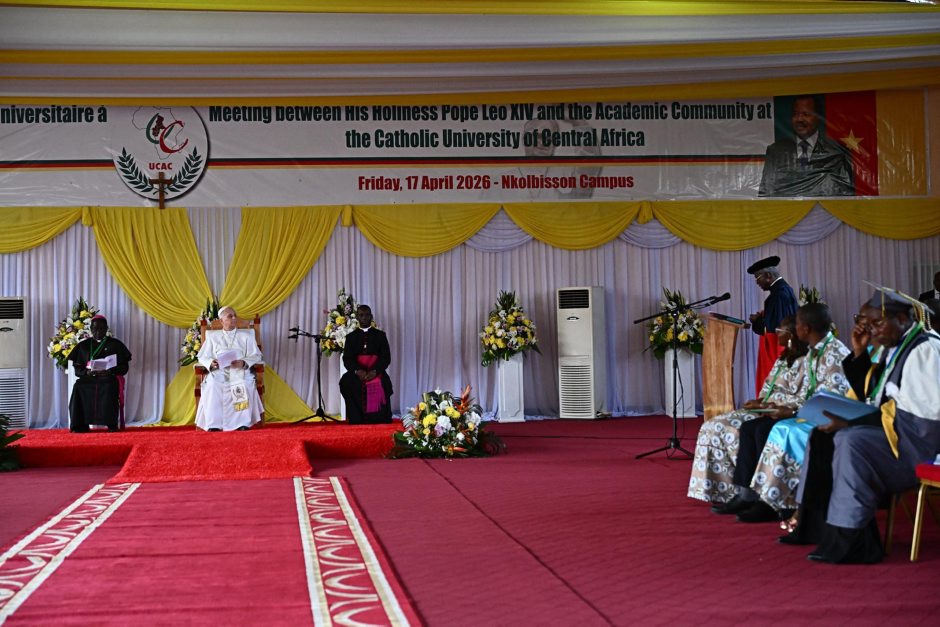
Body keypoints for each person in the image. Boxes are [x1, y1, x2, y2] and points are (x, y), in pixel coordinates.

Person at [800, 290, 940, 564]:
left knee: (852, 441)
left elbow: (924, 420)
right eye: (865, 323)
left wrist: (854, 421)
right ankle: (818, 528)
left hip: (917, 447)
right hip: (896, 434)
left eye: (877, 323)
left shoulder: (925, 350)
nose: (871, 330)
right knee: (823, 436)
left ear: (902, 319)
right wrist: (860, 353)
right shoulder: (893, 346)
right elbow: (873, 396)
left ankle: (853, 541)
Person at [736, 303, 851, 523]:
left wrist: (792, 410)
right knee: (755, 427)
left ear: (805, 328)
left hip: (830, 419)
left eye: (796, 324)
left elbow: (832, 400)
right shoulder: (814, 352)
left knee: (773, 430)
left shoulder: (834, 353)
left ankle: (777, 502)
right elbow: (806, 392)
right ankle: (759, 497)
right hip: (807, 411)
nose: (794, 329)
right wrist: (778, 407)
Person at [688, 317, 806, 508]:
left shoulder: (806, 361)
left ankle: (749, 494)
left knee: (740, 428)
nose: (776, 333)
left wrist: (770, 407)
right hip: (765, 408)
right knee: (713, 425)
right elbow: (769, 387)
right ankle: (724, 491)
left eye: (780, 330)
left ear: (792, 335)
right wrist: (758, 402)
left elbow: (800, 396)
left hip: (780, 412)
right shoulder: (784, 358)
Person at [758, 94, 855, 197]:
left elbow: (846, 196)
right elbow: (766, 194)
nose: (799, 119)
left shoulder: (837, 151)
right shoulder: (776, 151)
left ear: (818, 117)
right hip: (786, 208)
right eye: (795, 114)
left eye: (806, 114)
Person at [195, 306, 264, 432]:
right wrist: (211, 362)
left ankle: (242, 422)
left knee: (241, 383)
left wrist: (243, 362)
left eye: (234, 315)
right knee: (212, 384)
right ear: (221, 321)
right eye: (230, 316)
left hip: (239, 370)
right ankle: (214, 423)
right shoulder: (212, 337)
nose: (234, 318)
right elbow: (202, 356)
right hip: (219, 371)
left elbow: (256, 355)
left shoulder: (246, 336)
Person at [67, 314, 132, 432]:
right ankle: (80, 425)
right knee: (79, 386)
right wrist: (87, 372)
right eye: (95, 329)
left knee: (109, 386)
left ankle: (111, 423)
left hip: (108, 377)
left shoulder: (115, 344)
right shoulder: (83, 346)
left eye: (101, 328)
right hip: (90, 377)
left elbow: (124, 367)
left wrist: (111, 371)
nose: (98, 331)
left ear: (106, 329)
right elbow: (77, 369)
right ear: (91, 329)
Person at [747, 255, 799, 396]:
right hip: (783, 346)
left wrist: (756, 321)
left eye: (758, 278)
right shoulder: (783, 290)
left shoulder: (778, 295)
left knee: (772, 385)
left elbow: (773, 328)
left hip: (775, 349)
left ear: (768, 276)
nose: (757, 283)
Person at [340, 305, 393, 424]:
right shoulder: (351, 337)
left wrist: (375, 371)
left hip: (375, 371)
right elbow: (347, 359)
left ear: (371, 317)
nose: (364, 318)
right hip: (358, 372)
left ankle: (379, 418)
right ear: (357, 317)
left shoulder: (380, 336)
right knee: (346, 382)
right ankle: (356, 417)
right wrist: (357, 370)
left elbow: (386, 358)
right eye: (361, 315)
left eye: (367, 315)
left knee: (384, 382)